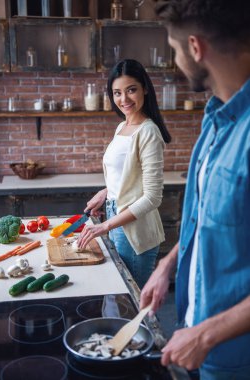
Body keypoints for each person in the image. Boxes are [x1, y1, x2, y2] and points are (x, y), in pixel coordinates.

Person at [140, 0, 250, 379]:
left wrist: (205, 336)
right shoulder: (217, 118)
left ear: (195, 47)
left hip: (235, 358)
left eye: (174, 50)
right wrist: (167, 266)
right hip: (198, 336)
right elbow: (211, 221)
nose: (175, 61)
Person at [77, 59, 171, 289]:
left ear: (145, 89)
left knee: (132, 303)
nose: (124, 99)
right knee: (117, 297)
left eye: (131, 90)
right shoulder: (122, 127)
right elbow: (127, 176)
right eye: (117, 92)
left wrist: (105, 226)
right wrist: (106, 193)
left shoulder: (148, 132)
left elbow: (152, 197)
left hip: (134, 231)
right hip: (115, 218)